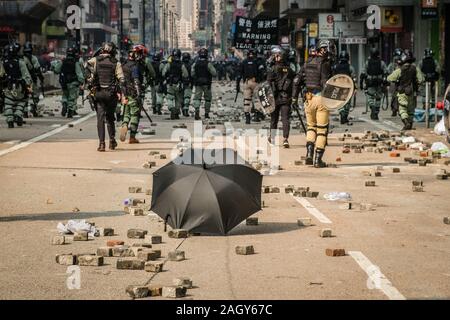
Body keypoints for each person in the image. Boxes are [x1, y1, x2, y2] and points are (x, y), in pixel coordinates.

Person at [86, 42, 127, 152]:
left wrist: (91, 79)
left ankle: (101, 144)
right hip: (111, 94)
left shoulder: (95, 60)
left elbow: (86, 66)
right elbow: (122, 80)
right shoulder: (116, 63)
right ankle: (112, 141)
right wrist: (123, 95)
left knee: (100, 119)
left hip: (99, 93)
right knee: (110, 118)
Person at [299, 39, 332, 168]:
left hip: (308, 99)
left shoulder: (307, 63)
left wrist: (295, 99)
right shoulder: (325, 64)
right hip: (321, 99)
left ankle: (309, 153)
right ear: (322, 50)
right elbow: (325, 82)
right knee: (322, 130)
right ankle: (318, 160)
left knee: (311, 127)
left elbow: (297, 80)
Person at [267, 47, 301, 149]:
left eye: (276, 55)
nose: (274, 57)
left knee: (274, 119)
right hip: (286, 98)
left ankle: (272, 138)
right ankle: (285, 139)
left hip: (274, 98)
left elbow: (267, 84)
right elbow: (295, 82)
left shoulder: (272, 69)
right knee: (285, 119)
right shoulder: (290, 70)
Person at [387, 49, 424, 131]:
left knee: (402, 109)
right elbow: (421, 79)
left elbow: (389, 78)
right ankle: (410, 125)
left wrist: (396, 80)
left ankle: (406, 122)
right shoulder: (415, 69)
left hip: (402, 92)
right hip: (412, 93)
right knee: (411, 110)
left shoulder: (400, 69)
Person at [0, 43, 32, 128]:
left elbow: (1, 75)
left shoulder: (3, 62)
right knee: (22, 101)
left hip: (8, 86)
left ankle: (10, 119)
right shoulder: (20, 62)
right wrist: (28, 85)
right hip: (19, 86)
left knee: (8, 103)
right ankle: (18, 114)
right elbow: (26, 75)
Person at [119, 45, 145, 144]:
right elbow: (136, 81)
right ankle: (132, 137)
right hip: (133, 93)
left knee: (126, 113)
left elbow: (120, 80)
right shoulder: (134, 66)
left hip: (125, 92)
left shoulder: (123, 65)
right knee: (135, 115)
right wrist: (138, 94)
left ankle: (124, 125)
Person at [52, 46, 84, 118]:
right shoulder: (76, 63)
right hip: (73, 83)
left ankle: (64, 104)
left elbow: (56, 70)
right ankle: (70, 112)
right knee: (72, 98)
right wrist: (82, 82)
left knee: (65, 95)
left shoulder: (62, 61)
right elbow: (79, 74)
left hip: (64, 83)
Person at [236, 49, 264, 124]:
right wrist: (259, 80)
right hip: (255, 82)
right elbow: (262, 73)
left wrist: (237, 86)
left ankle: (247, 117)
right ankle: (257, 116)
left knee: (247, 101)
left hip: (247, 82)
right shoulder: (258, 62)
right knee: (257, 99)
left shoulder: (243, 62)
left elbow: (239, 75)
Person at [360, 48, 388, 120]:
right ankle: (376, 112)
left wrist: (361, 83)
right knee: (378, 97)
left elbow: (363, 73)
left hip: (370, 82)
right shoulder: (382, 62)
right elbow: (386, 72)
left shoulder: (367, 62)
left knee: (370, 96)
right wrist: (385, 81)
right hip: (379, 82)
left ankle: (372, 107)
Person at [162, 49, 189, 120]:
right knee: (178, 99)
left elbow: (163, 73)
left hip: (170, 84)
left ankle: (171, 108)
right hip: (178, 84)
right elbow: (186, 74)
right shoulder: (181, 65)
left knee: (170, 97)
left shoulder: (169, 64)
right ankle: (176, 113)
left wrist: (167, 77)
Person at [191, 48, 217, 120]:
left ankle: (197, 111)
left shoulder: (195, 63)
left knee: (197, 98)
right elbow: (214, 73)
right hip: (207, 84)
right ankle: (206, 113)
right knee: (208, 99)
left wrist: (197, 77)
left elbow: (192, 74)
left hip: (198, 84)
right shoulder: (208, 64)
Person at [332, 50, 356, 124]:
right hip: (348, 87)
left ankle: (342, 114)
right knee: (347, 102)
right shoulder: (350, 67)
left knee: (340, 101)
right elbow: (354, 78)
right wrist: (355, 87)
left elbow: (333, 78)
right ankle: (344, 116)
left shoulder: (336, 67)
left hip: (338, 87)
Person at [23, 42, 44, 117]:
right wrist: (41, 78)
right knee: (35, 95)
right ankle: (33, 108)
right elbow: (38, 69)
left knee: (24, 96)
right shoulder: (34, 58)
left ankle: (25, 111)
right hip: (32, 80)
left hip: (23, 80)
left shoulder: (21, 58)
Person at [387, 48, 403, 117]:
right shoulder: (402, 63)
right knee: (400, 96)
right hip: (400, 82)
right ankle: (399, 110)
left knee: (394, 96)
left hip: (394, 82)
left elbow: (388, 72)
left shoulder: (392, 64)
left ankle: (394, 110)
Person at [181, 52, 193, 117]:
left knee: (181, 97)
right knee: (187, 97)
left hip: (180, 83)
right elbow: (193, 74)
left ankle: (182, 109)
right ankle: (186, 108)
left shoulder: (180, 64)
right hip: (188, 83)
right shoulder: (191, 65)